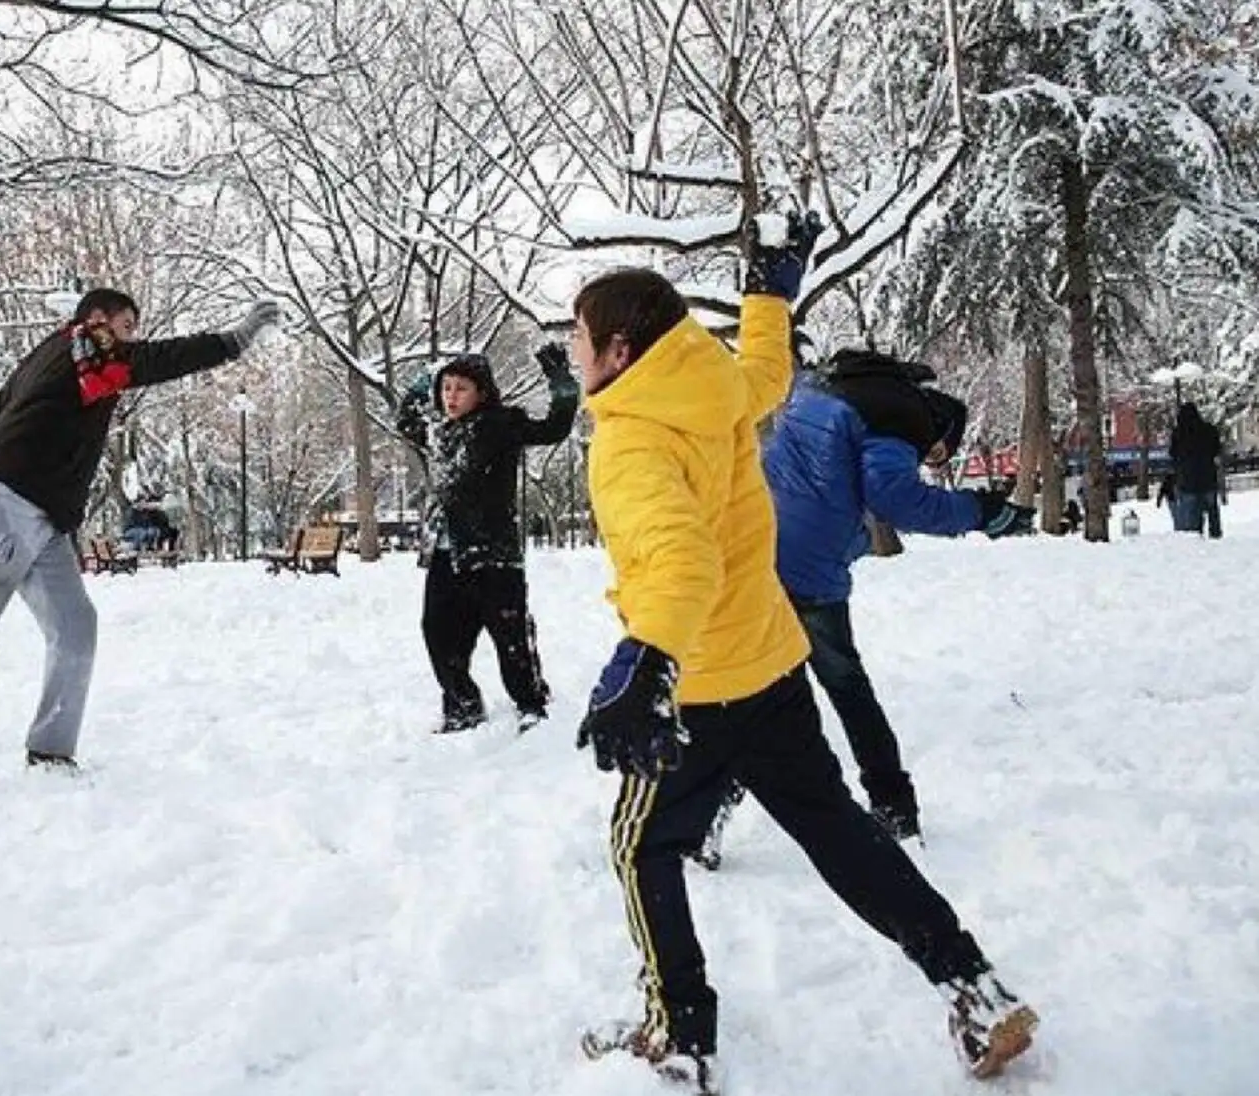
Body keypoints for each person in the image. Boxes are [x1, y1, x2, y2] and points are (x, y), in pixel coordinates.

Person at [568, 212, 1036, 1093]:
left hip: (698, 683)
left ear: (621, 350)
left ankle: (677, 1036)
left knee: (641, 849)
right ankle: (972, 986)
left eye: (578, 340)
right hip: (773, 665)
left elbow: (679, 558)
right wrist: (768, 294)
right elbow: (766, 373)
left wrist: (646, 661)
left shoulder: (631, 436)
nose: (572, 354)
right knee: (838, 831)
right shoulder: (710, 388)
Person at [0, 291, 282, 798]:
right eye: (127, 324)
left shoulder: (51, 355)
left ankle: (50, 750)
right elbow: (157, 359)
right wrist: (236, 339)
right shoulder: (89, 345)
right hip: (10, 510)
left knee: (74, 625)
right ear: (97, 319)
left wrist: (29, 450)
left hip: (40, 517)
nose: (130, 337)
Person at [754, 350, 1034, 842]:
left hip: (753, 543)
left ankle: (706, 808)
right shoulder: (902, 417)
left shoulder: (825, 384)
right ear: (938, 431)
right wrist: (978, 512)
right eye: (937, 453)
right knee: (844, 684)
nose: (931, 460)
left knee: (752, 687)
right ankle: (893, 804)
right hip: (809, 563)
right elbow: (896, 498)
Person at [395, 346, 578, 732]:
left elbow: (554, 427)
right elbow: (406, 421)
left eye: (461, 388)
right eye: (446, 388)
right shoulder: (439, 433)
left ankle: (530, 702)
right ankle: (462, 706)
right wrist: (421, 381)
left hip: (494, 553)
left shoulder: (500, 424)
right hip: (449, 554)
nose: (451, 396)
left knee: (508, 635)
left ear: (481, 392)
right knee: (439, 633)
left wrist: (560, 381)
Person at [1170, 402, 1224, 538]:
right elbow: (1217, 449)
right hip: (1208, 478)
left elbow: (1173, 454)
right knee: (1212, 510)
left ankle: (1196, 538)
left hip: (1187, 481)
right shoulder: (1210, 430)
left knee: (1191, 515)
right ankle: (1215, 534)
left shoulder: (1178, 433)